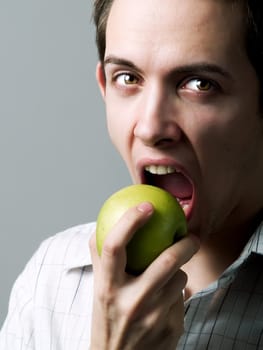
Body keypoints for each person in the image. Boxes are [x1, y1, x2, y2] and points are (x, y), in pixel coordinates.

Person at [1, 0, 263, 348]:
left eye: (200, 84)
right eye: (127, 78)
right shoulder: (49, 281)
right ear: (104, 88)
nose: (150, 128)